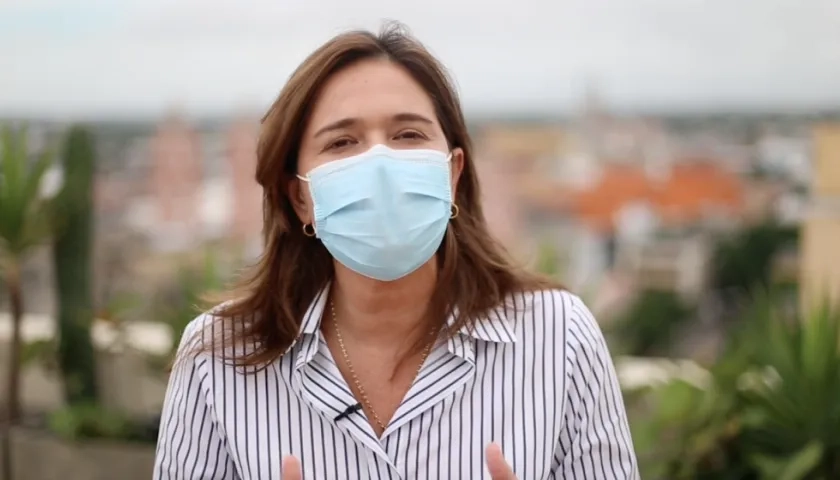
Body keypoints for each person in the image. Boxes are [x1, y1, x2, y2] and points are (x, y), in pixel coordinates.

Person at [153, 21, 639, 480]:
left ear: (452, 174)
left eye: (408, 135)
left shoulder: (557, 338)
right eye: (343, 142)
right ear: (301, 197)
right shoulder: (216, 362)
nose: (380, 161)